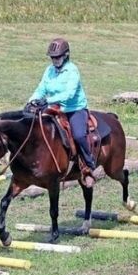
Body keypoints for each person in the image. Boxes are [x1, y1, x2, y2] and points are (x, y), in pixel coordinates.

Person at [27, 38, 96, 188]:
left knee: (78, 134)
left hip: (74, 109)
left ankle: (88, 166)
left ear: (66, 55)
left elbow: (69, 94)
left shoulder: (72, 70)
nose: (55, 60)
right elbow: (41, 89)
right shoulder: (49, 71)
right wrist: (32, 100)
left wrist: (48, 101)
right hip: (54, 108)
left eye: (57, 57)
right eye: (52, 57)